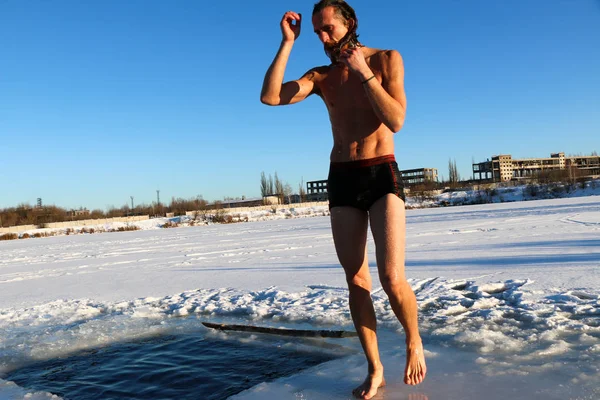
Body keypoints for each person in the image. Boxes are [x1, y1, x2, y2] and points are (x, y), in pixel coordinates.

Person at [260, 1, 426, 398]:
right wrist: (287, 43)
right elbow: (269, 97)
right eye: (316, 31)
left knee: (390, 277)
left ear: (349, 23)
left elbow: (397, 120)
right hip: (342, 178)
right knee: (355, 279)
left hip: (381, 171)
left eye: (328, 27)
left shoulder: (386, 59)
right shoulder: (321, 76)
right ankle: (375, 369)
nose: (322, 37)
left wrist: (364, 72)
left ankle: (413, 339)